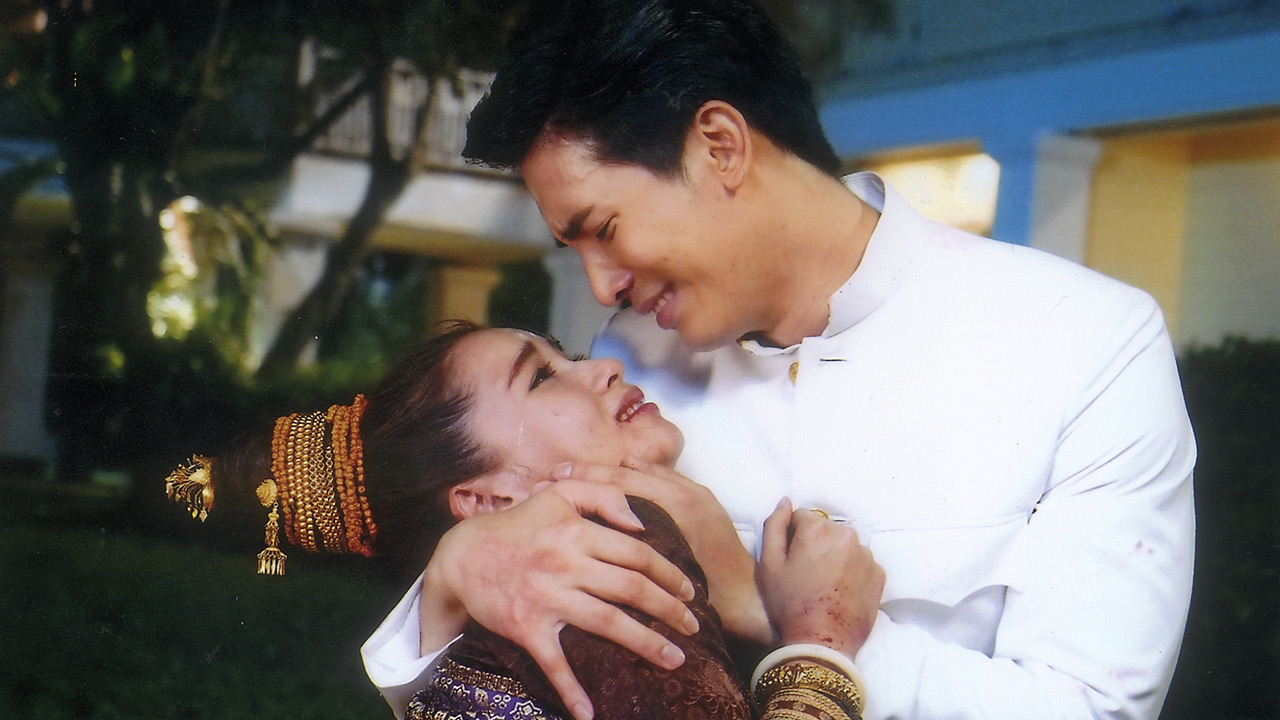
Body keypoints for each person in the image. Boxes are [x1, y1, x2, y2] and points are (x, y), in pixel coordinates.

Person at [361, 0, 1197, 719]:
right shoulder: (629, 365)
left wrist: (774, 612)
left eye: (604, 229)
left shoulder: (1086, 340)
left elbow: (1092, 709)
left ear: (720, 146)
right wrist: (456, 570)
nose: (602, 286)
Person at [165, 322, 877, 720]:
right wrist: (819, 646)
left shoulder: (488, 632)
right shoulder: (595, 582)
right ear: (487, 501)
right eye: (540, 377)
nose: (601, 366)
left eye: (565, 356)